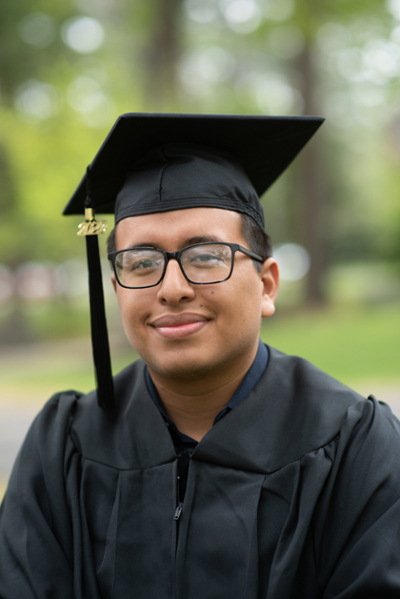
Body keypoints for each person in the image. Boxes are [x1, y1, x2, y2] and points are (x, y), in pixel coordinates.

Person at [1, 113, 400, 599]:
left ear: (267, 285)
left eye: (205, 256)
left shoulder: (356, 446)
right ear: (116, 289)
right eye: (142, 263)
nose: (171, 289)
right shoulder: (62, 445)